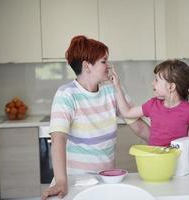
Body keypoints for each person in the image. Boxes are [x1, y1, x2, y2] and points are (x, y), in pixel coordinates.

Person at [41, 35, 150, 200]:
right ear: (87, 66)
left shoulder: (112, 91)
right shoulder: (66, 94)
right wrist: (61, 181)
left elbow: (139, 127)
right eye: (104, 61)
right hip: (74, 182)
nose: (109, 66)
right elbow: (58, 139)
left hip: (106, 179)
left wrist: (168, 146)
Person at [111, 59, 189, 168]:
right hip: (156, 161)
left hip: (178, 163)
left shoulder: (188, 110)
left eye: (156, 79)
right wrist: (117, 87)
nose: (152, 83)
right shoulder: (152, 105)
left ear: (171, 86)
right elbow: (127, 112)